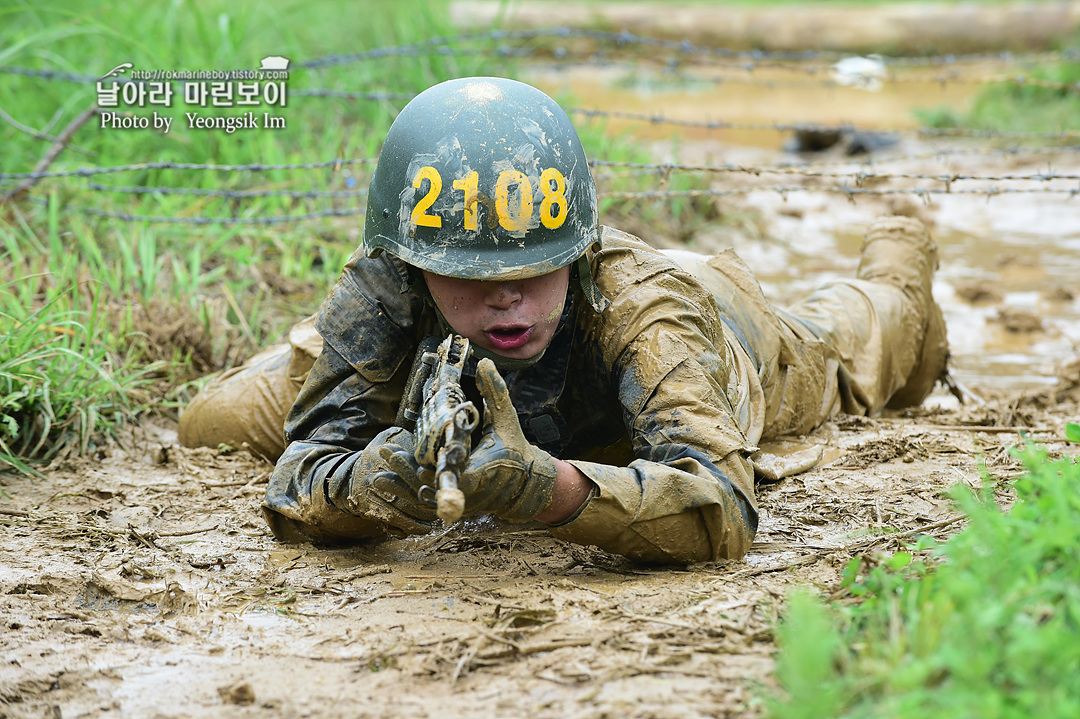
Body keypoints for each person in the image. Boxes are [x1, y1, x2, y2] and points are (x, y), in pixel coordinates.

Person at [178, 76, 948, 564]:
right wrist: (378, 480)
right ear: (414, 265)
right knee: (209, 421)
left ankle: (901, 232)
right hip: (432, 358)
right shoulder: (387, 276)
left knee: (873, 333)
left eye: (531, 270)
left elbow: (721, 510)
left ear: (575, 254)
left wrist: (545, 489)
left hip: (728, 331)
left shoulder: (644, 306)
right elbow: (302, 477)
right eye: (473, 276)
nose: (507, 300)